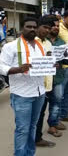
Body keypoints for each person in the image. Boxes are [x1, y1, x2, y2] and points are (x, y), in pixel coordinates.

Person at [0, 17, 46, 156]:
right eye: (28, 26)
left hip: (39, 92)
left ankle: (30, 153)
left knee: (33, 126)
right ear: (22, 28)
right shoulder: (11, 46)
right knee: (23, 129)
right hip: (22, 94)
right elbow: (2, 67)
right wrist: (19, 69)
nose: (32, 29)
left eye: (34, 27)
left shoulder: (40, 45)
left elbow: (43, 64)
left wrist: (51, 65)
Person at [34, 16, 56, 147]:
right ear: (38, 27)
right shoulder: (31, 43)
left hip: (46, 85)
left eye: (49, 28)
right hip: (33, 87)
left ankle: (37, 138)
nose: (47, 30)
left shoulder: (48, 43)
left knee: (41, 113)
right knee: (32, 116)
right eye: (45, 27)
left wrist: (54, 64)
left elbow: (49, 61)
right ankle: (31, 140)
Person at [46, 16, 67, 138]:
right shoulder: (42, 41)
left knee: (57, 101)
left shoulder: (62, 42)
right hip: (44, 78)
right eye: (53, 25)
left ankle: (53, 124)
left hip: (58, 77)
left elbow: (65, 60)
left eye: (58, 26)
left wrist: (66, 55)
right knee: (43, 104)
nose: (56, 28)